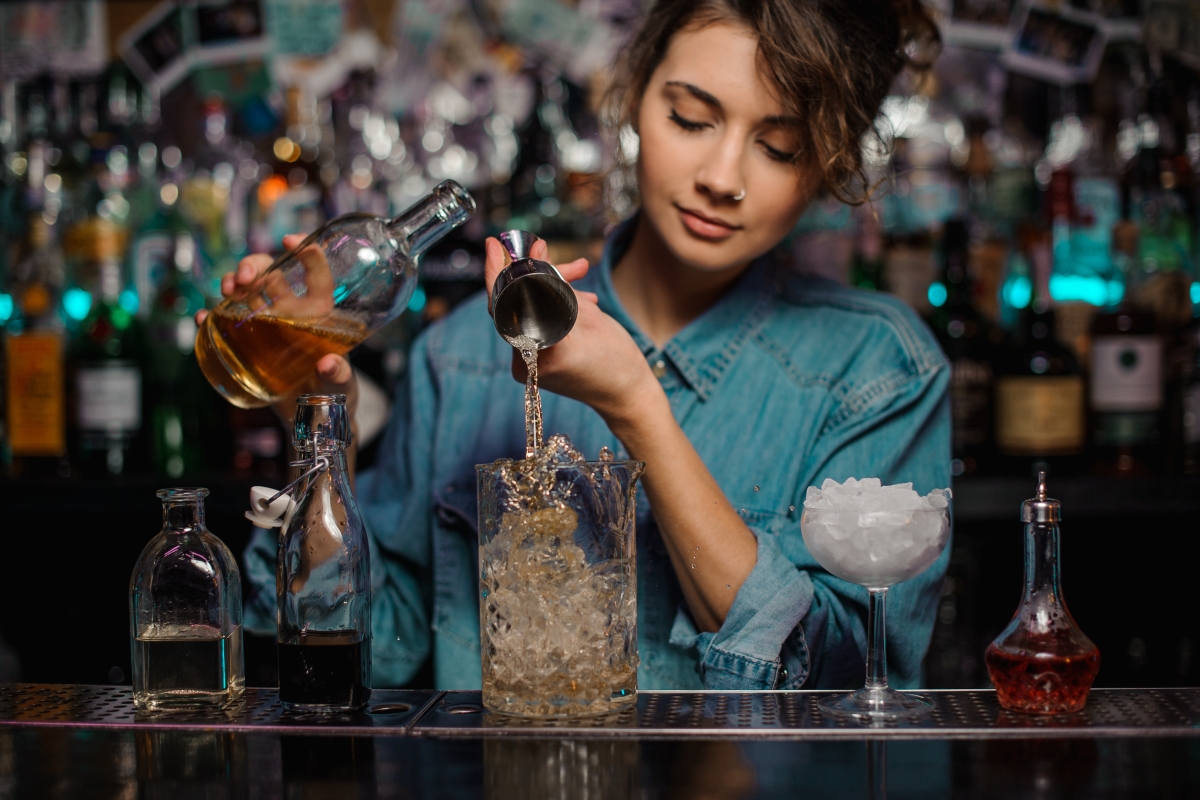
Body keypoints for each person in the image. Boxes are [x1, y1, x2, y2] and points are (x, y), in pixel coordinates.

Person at [204, 0, 950, 691]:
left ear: (829, 164)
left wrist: (638, 408)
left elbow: (846, 684)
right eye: (691, 119)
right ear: (634, 98)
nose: (722, 178)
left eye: (780, 148)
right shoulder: (459, 356)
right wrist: (318, 432)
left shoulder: (879, 369)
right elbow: (381, 645)